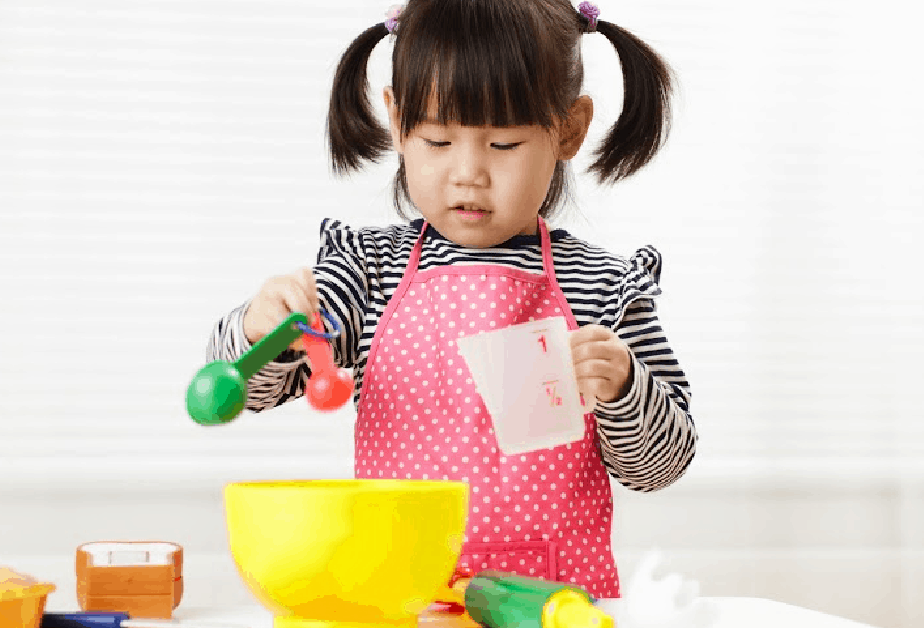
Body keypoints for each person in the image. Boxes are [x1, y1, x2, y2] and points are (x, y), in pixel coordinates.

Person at [205, 0, 696, 599]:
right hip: (403, 596)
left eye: (505, 144)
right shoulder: (365, 274)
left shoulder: (603, 286)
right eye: (438, 139)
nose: (468, 172)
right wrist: (262, 331)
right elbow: (248, 389)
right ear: (397, 120)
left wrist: (623, 386)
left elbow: (660, 467)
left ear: (568, 130)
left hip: (555, 605)